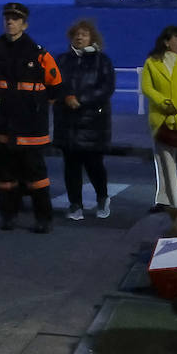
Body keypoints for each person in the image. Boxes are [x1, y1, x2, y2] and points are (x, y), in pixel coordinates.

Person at [0, 3, 65, 233]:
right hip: (1, 124)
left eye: (15, 19)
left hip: (31, 128)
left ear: (25, 24)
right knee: (4, 175)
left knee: (36, 177)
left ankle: (43, 218)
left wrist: (36, 108)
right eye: (7, 18)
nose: (10, 22)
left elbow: (56, 86)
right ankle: (8, 215)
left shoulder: (38, 53)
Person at [53, 20, 116, 220]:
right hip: (67, 122)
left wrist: (82, 100)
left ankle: (103, 197)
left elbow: (106, 88)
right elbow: (55, 82)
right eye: (76, 34)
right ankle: (75, 205)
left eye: (84, 34)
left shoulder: (102, 61)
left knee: (94, 164)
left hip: (93, 122)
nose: (79, 38)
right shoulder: (62, 60)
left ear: (92, 38)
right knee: (71, 166)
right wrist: (67, 97)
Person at [140, 25, 177, 210]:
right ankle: (167, 201)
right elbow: (147, 87)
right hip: (161, 118)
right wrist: (163, 102)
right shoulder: (152, 62)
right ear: (167, 41)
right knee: (164, 160)